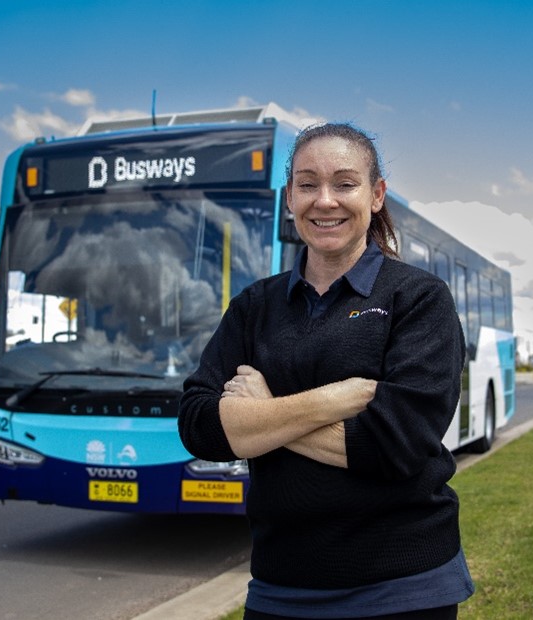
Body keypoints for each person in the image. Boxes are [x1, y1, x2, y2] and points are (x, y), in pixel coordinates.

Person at [178, 122, 473, 619]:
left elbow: (393, 445)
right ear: (289, 197)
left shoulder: (418, 299)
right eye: (308, 184)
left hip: (403, 586)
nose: (325, 200)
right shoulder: (255, 305)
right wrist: (328, 402)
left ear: (376, 196)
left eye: (345, 183)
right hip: (280, 586)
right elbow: (198, 425)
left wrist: (260, 418)